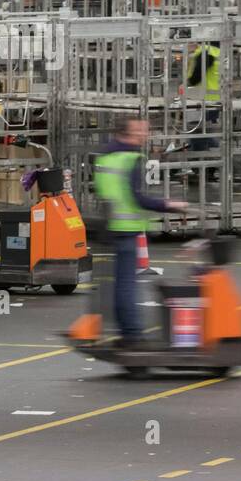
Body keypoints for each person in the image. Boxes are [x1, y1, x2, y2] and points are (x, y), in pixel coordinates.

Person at [93, 117, 188, 347]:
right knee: (128, 284)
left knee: (118, 284)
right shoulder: (130, 159)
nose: (145, 135)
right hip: (127, 227)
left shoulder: (106, 156)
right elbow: (137, 198)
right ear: (126, 132)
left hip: (110, 224)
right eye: (140, 131)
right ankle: (133, 334)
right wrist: (168, 205)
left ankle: (127, 331)